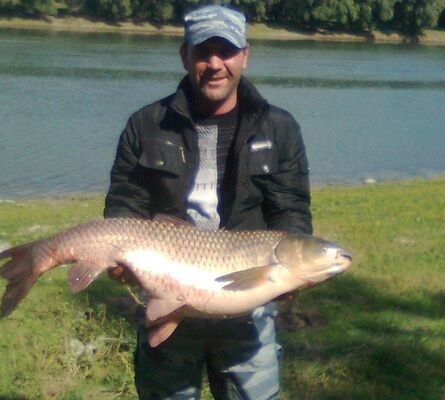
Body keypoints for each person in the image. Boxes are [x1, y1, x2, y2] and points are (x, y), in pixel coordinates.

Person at [103, 4, 312, 399]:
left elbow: (291, 210)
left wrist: (290, 274)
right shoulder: (145, 125)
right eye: (204, 52)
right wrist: (121, 259)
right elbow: (125, 203)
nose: (215, 64)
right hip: (169, 294)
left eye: (227, 51)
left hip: (247, 306)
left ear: (245, 55)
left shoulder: (280, 128)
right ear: (185, 55)